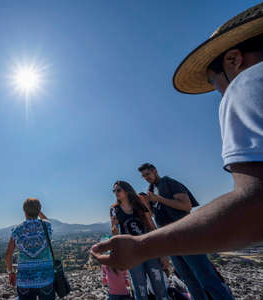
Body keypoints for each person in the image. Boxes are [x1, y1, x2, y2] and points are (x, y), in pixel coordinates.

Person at [91, 1, 262, 292]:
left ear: (233, 59)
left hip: (187, 239)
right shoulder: (152, 191)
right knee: (194, 285)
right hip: (179, 240)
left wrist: (144, 245)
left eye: (213, 80)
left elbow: (254, 206)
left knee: (206, 281)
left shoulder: (247, 84)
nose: (221, 92)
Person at [138, 163, 232, 300]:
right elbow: (154, 215)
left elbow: (186, 206)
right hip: (169, 240)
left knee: (206, 277)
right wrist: (147, 205)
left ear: (155, 171)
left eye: (148, 174)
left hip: (185, 235)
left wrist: (158, 199)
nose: (146, 178)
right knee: (188, 279)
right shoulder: (151, 189)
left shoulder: (170, 183)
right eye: (143, 176)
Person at [110, 181, 170, 300]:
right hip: (131, 254)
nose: (115, 193)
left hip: (149, 249)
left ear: (127, 190)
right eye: (114, 191)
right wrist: (113, 227)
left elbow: (151, 226)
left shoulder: (139, 204)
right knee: (140, 288)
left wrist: (163, 254)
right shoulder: (114, 209)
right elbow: (116, 235)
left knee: (159, 286)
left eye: (118, 190)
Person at [5, 198, 55, 300]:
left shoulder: (17, 230)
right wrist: (37, 210)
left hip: (25, 279)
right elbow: (46, 220)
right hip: (46, 278)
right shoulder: (47, 226)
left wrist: (11, 272)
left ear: (24, 210)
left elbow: (8, 254)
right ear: (39, 209)